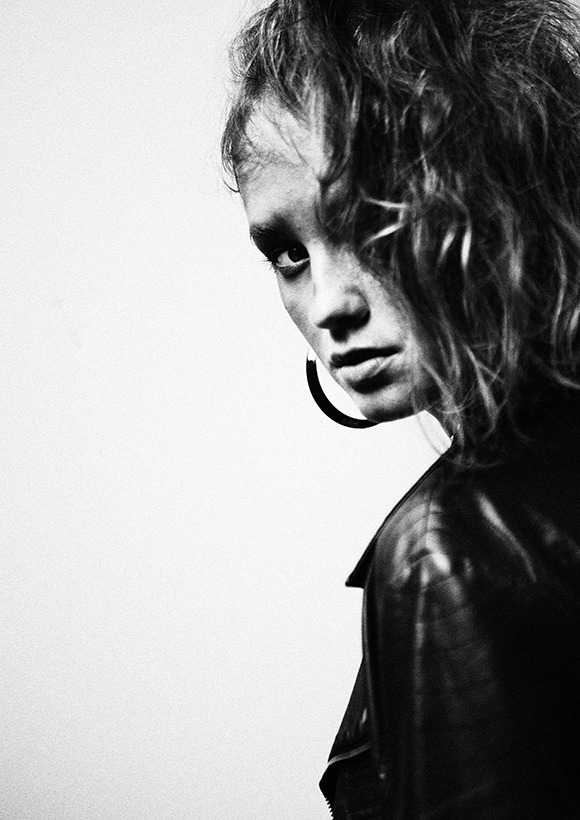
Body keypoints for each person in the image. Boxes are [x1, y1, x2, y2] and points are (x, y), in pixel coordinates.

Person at [221, 0, 580, 817]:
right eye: (289, 253)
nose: (328, 304)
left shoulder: (448, 549)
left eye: (366, 219)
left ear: (498, 184)